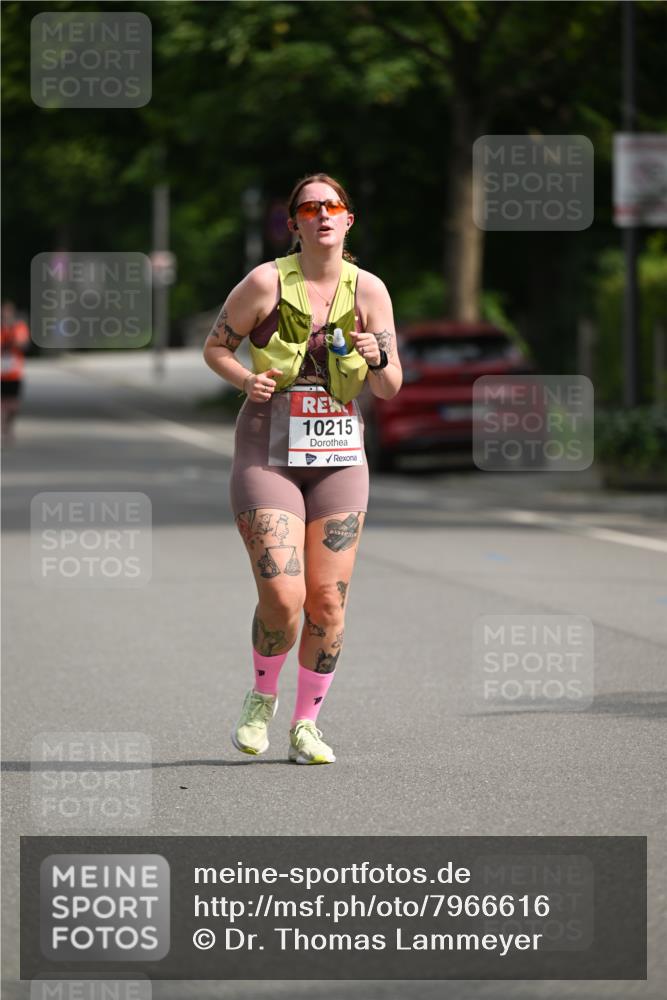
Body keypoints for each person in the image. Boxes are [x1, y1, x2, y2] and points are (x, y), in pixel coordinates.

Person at [203, 173, 402, 764]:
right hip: (268, 451)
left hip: (340, 458)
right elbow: (216, 347)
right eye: (309, 208)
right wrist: (247, 378)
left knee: (328, 601)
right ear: (293, 224)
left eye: (332, 206)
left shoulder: (369, 291)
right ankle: (262, 696)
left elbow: (390, 387)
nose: (321, 215)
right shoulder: (265, 282)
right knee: (285, 596)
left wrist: (378, 353)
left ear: (348, 220)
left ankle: (306, 725)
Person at [1, 301, 30, 445]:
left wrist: (11, 340)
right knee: (2, 404)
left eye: (8, 312)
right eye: (4, 312)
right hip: (1, 374)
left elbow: (23, 344)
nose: (6, 315)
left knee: (13, 406)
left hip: (14, 373)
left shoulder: (19, 327)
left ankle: (8, 425)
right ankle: (5, 428)